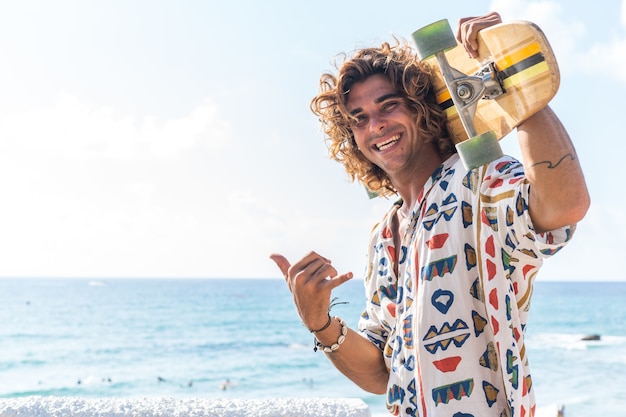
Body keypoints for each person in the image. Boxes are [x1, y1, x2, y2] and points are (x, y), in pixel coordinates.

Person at [270, 11, 589, 417]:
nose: (377, 126)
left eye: (389, 106)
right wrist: (318, 321)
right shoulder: (384, 235)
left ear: (422, 108)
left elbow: (565, 206)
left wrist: (513, 84)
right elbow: (382, 372)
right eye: (360, 119)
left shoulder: (477, 180)